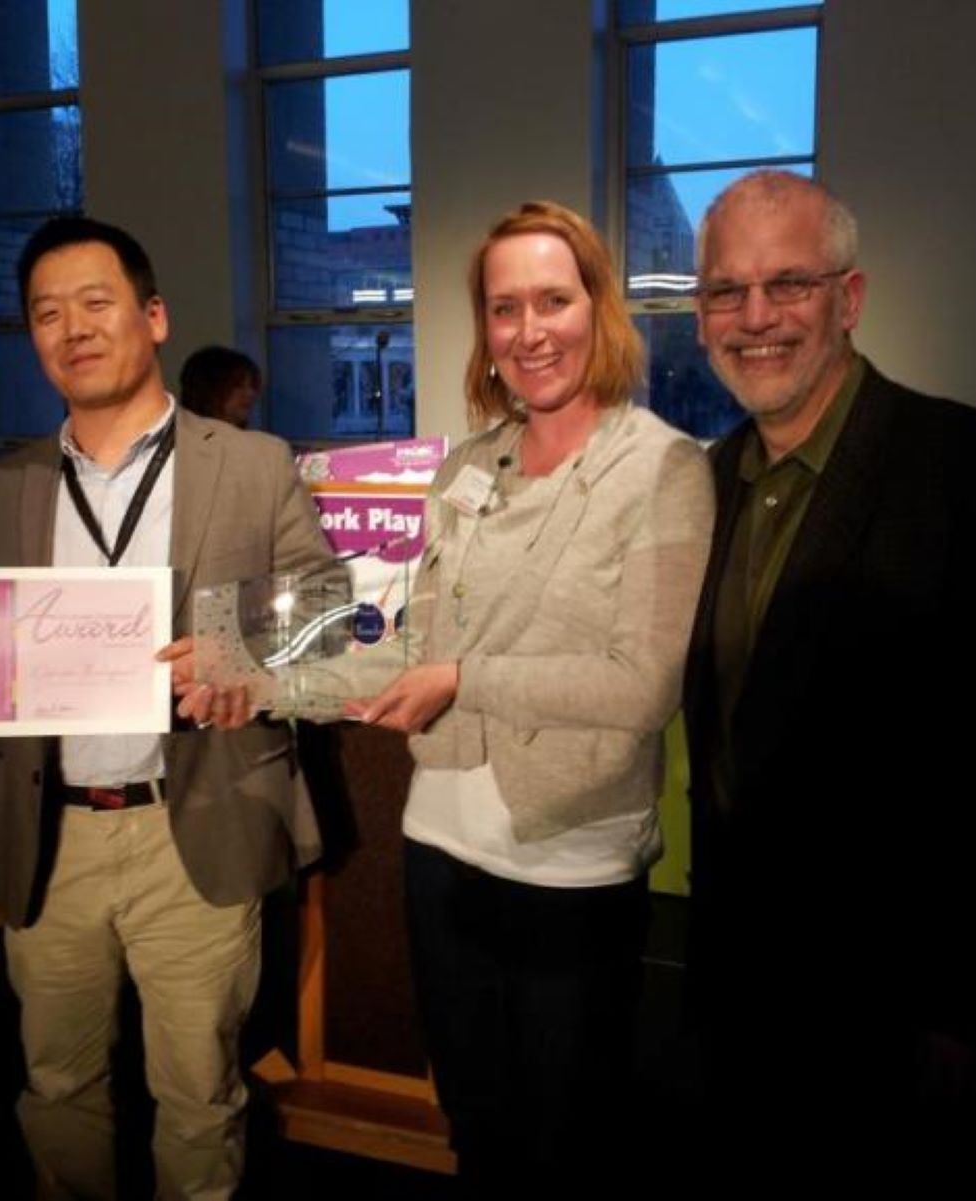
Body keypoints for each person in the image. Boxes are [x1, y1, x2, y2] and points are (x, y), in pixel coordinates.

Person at [0, 216, 335, 1201]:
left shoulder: (251, 463)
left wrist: (232, 657)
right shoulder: (1, 484)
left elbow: (329, 612)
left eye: (96, 302)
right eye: (46, 313)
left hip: (198, 824)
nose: (72, 328)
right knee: (55, 1082)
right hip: (51, 834)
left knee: (200, 1091)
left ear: (153, 316)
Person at [681, 170, 976, 1196]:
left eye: (789, 283)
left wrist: (968, 1006)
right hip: (745, 982)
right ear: (699, 317)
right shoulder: (703, 485)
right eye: (727, 291)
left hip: (902, 1000)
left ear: (849, 299)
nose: (757, 317)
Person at [315, 200, 714, 1194]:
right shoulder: (468, 465)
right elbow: (414, 640)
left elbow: (642, 685)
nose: (529, 331)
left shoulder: (661, 468)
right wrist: (251, 676)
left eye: (552, 300)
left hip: (568, 865)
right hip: (440, 849)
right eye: (504, 308)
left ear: (599, 309)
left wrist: (465, 679)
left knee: (564, 1145)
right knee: (476, 1124)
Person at [178, 344, 261, 428]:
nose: (250, 393)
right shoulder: (176, 435)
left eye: (252, 386)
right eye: (237, 385)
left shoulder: (255, 439)